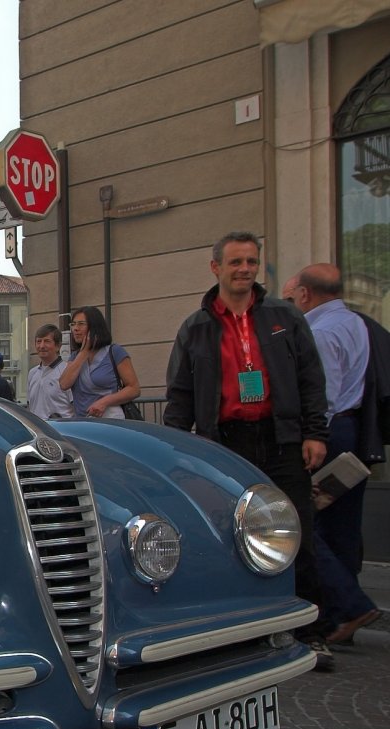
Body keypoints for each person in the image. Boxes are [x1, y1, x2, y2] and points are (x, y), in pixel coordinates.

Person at [163, 232, 332, 668]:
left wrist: (315, 432)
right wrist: (177, 449)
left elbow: (311, 378)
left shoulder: (285, 317)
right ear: (215, 266)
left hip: (280, 439)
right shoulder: (196, 327)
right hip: (225, 444)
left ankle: (311, 632)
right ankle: (242, 627)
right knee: (228, 536)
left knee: (297, 535)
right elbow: (180, 392)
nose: (244, 269)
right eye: (235, 261)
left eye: (251, 262)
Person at [292, 263, 380, 644]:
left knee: (305, 523)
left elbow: (322, 394)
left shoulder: (321, 331)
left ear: (307, 295)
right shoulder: (356, 323)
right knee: (341, 526)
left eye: (293, 296)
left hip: (326, 433)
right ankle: (340, 618)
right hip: (352, 428)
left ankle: (348, 605)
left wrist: (311, 435)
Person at [58, 306, 141, 418]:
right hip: (83, 420)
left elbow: (134, 389)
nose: (75, 329)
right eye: (73, 324)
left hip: (110, 417)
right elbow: (64, 384)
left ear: (94, 327)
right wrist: (84, 352)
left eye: (81, 324)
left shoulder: (114, 351)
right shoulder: (75, 356)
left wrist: (104, 402)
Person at [26, 323, 73, 419]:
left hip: (61, 430)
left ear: (58, 346)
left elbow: (75, 406)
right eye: (38, 341)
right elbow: (29, 405)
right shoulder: (32, 373)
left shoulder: (67, 371)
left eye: (47, 341)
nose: (42, 346)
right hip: (38, 430)